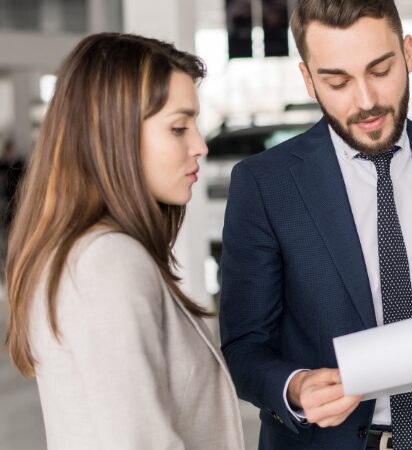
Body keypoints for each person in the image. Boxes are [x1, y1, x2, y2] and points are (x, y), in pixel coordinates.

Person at [219, 1, 412, 449]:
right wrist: (296, 387)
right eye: (337, 82)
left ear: (408, 54)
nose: (365, 101)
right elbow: (244, 346)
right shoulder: (266, 184)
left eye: (380, 70)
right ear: (308, 80)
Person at [4, 33, 244, 449]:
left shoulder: (85, 253)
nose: (199, 146)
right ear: (115, 135)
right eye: (178, 127)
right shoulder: (107, 262)